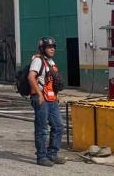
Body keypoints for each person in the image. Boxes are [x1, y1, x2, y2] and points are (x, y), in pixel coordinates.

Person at [28, 37, 65, 167]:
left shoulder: (51, 62)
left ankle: (52, 154)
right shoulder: (38, 61)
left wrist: (56, 96)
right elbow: (31, 77)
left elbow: (52, 81)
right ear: (43, 49)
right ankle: (41, 157)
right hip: (41, 99)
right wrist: (39, 94)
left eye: (53, 47)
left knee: (59, 126)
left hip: (52, 99)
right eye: (49, 47)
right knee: (42, 129)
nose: (52, 49)